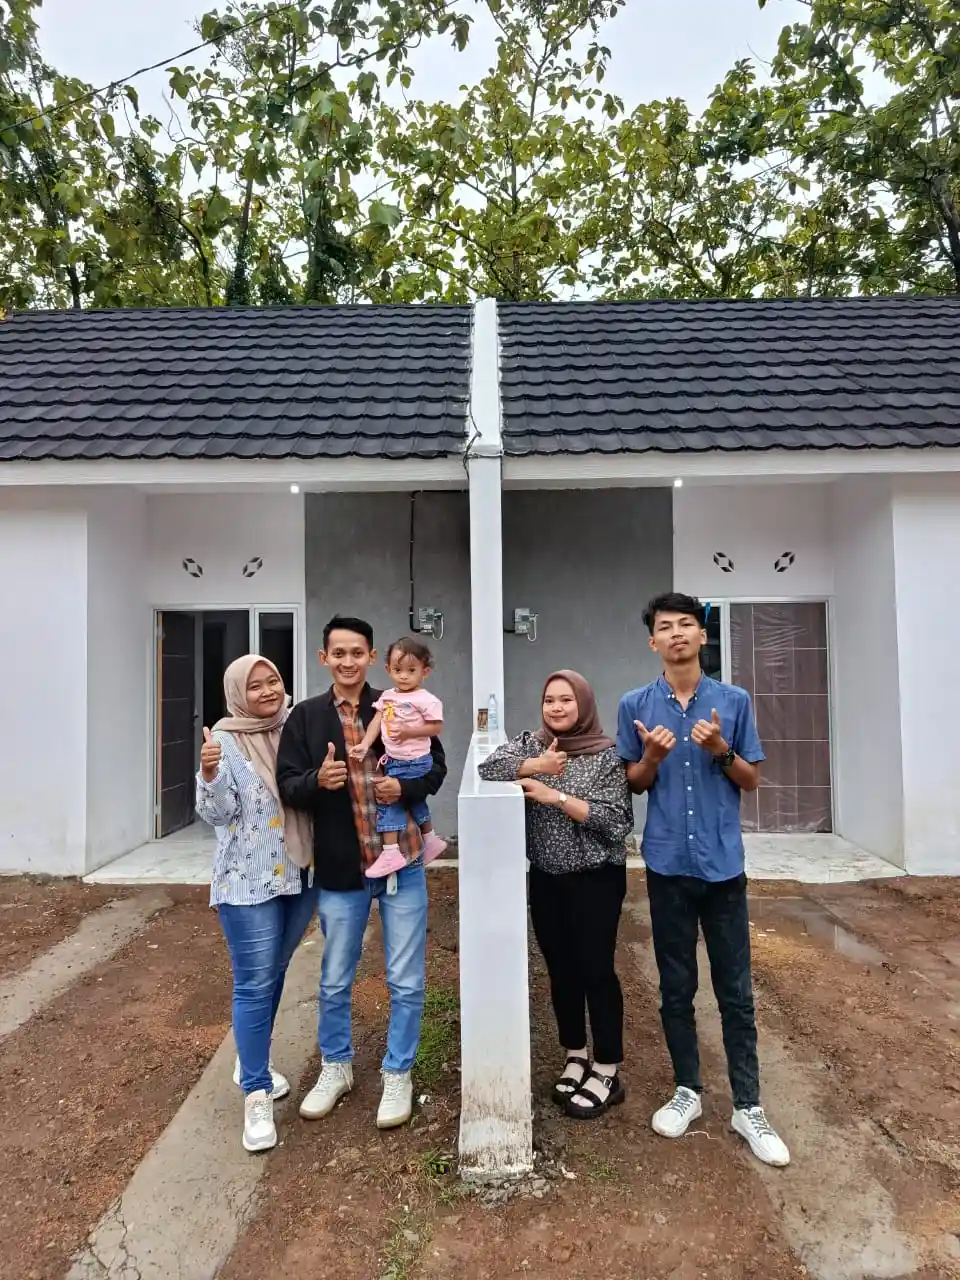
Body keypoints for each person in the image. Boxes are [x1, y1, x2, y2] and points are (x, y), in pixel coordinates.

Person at [617, 591, 790, 1167]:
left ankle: (748, 1106)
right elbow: (633, 783)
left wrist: (719, 749)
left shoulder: (733, 702)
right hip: (667, 865)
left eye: (686, 624)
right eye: (665, 627)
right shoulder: (635, 704)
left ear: (702, 635)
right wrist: (651, 758)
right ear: (653, 641)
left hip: (722, 867)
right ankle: (687, 1090)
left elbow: (751, 780)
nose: (676, 634)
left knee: (736, 991)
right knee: (676, 987)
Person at [276, 615, 447, 1130]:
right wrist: (317, 780)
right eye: (338, 653)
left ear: (372, 657)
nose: (348, 661)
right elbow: (287, 783)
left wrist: (407, 789)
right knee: (334, 979)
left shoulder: (397, 699)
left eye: (357, 653)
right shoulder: (306, 718)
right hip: (342, 868)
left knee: (406, 979)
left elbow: (436, 766)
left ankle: (398, 1072)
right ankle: (336, 1066)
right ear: (323, 658)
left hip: (403, 861)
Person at [479, 670, 633, 1119]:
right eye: (550, 700)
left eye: (567, 699)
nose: (557, 707)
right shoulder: (533, 743)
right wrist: (535, 766)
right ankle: (575, 1055)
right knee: (561, 970)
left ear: (583, 703)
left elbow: (616, 822)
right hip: (546, 878)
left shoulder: (606, 756)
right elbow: (489, 768)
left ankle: (607, 1068)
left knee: (596, 970)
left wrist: (555, 797)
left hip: (596, 878)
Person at [196, 654, 317, 1155]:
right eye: (256, 685)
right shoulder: (224, 741)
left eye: (274, 681)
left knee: (276, 971)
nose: (268, 690)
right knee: (253, 982)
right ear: (237, 693)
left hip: (300, 874)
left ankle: (251, 1061)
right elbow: (218, 813)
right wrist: (210, 775)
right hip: (248, 883)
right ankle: (257, 1094)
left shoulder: (296, 728)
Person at [349, 636, 447, 878]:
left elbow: (436, 727)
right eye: (398, 670)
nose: (404, 676)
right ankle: (430, 838)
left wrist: (408, 732)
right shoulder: (388, 696)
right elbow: (377, 721)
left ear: (424, 672)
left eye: (411, 670)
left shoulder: (425, 699)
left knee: (389, 799)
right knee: (413, 800)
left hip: (414, 760)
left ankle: (391, 851)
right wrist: (364, 744)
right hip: (396, 759)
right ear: (388, 669)